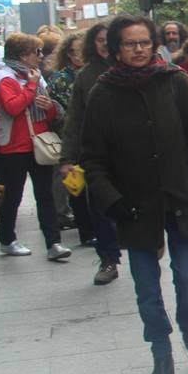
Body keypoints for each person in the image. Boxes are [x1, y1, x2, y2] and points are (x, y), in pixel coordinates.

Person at [79, 15, 188, 374]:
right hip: (135, 207)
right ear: (116, 49)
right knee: (146, 288)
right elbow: (91, 157)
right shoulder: (103, 92)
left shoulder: (175, 83)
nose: (139, 49)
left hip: (181, 200)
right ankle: (160, 350)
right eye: (129, 44)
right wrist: (112, 199)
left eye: (144, 42)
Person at [0, 33, 68, 262]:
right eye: (36, 52)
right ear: (23, 55)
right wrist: (31, 87)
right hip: (14, 148)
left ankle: (53, 243)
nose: (40, 56)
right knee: (13, 196)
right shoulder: (5, 79)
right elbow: (13, 108)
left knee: (45, 195)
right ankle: (7, 240)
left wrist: (49, 107)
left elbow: (49, 111)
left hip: (39, 144)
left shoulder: (36, 77)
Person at [60, 23, 123, 284]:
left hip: (137, 153)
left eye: (109, 40)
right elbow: (74, 120)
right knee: (100, 209)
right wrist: (67, 158)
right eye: (100, 40)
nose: (105, 45)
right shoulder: (86, 76)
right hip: (97, 155)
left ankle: (148, 244)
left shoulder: (137, 70)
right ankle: (108, 259)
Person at [48, 32, 86, 236]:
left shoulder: (97, 73)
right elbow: (67, 111)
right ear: (67, 54)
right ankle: (66, 215)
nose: (78, 55)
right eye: (74, 51)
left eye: (82, 50)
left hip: (94, 137)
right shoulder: (60, 78)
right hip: (69, 135)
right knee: (71, 179)